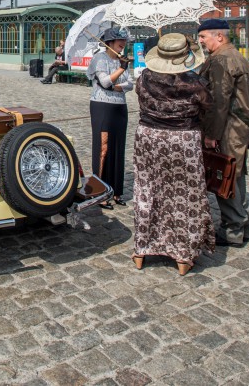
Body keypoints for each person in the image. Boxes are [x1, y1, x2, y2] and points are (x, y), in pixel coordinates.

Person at [132, 33, 213, 275]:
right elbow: (208, 106)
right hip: (182, 139)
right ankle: (183, 254)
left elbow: (140, 98)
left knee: (147, 189)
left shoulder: (144, 78)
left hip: (148, 136)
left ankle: (142, 248)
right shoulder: (195, 83)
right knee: (185, 194)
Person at [197, 19, 249, 247]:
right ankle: (243, 226)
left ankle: (233, 229)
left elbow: (219, 101)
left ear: (219, 36)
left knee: (224, 177)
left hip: (227, 128)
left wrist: (211, 134)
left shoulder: (221, 60)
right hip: (238, 126)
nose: (201, 41)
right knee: (235, 175)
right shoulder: (234, 55)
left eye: (203, 37)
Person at [86, 28, 133, 208]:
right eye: (119, 40)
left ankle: (116, 191)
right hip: (102, 106)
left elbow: (130, 84)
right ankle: (100, 192)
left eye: (124, 40)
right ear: (109, 43)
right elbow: (104, 82)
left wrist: (115, 86)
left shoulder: (122, 59)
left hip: (120, 107)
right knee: (103, 148)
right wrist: (121, 70)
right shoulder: (100, 58)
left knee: (118, 147)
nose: (123, 43)